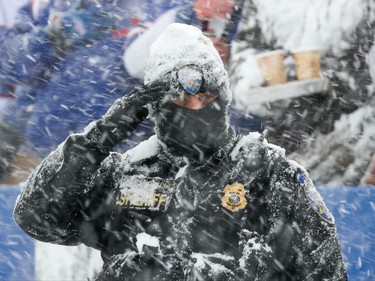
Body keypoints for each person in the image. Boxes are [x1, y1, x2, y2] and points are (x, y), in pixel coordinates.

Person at [14, 23, 347, 280]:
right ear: (154, 106)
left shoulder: (270, 175)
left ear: (224, 98)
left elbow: (327, 273)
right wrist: (98, 138)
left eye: (207, 95)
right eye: (179, 97)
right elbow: (37, 219)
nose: (195, 106)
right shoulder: (125, 174)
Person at [0, 0, 259, 184]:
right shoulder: (49, 4)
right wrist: (53, 37)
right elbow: (6, 68)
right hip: (35, 146)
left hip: (135, 158)